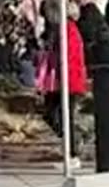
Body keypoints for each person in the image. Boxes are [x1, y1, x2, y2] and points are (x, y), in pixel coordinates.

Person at [36, 15, 88, 167]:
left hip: (68, 81)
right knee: (52, 113)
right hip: (60, 80)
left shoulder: (68, 32)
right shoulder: (62, 32)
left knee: (65, 116)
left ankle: (73, 151)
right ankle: (72, 140)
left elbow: (67, 58)